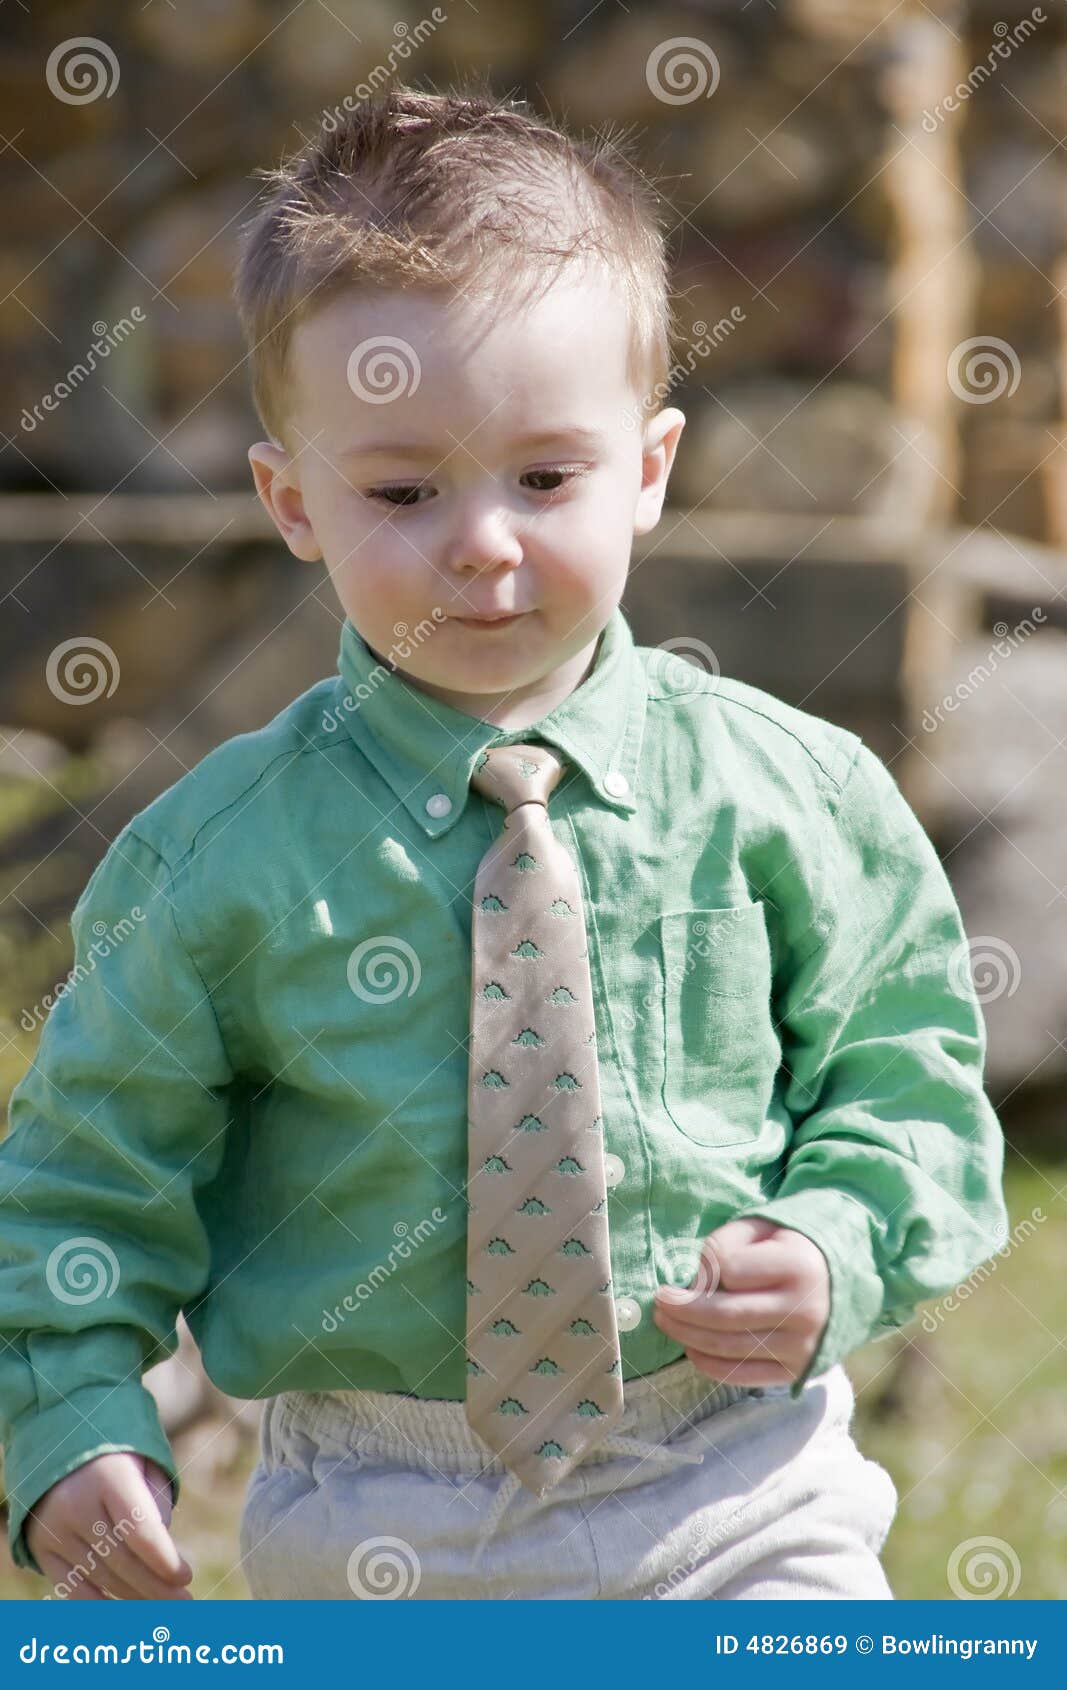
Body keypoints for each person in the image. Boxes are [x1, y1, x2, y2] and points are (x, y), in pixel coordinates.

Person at [0, 83, 1008, 1602]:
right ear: (291, 500)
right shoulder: (217, 858)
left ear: (651, 467)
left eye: (547, 476)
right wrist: (72, 1421)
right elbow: (83, 1180)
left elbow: (910, 1077)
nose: (483, 541)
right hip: (375, 1502)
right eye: (403, 489)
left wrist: (836, 1237)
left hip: (733, 1474)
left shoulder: (791, 795)